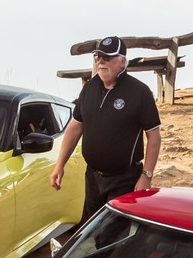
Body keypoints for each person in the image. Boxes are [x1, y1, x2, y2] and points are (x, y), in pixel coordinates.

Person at [51, 35, 163, 221]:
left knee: (114, 235)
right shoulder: (89, 88)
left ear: (122, 62)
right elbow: (75, 127)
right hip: (93, 178)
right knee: (93, 231)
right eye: (98, 57)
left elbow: (154, 136)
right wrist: (59, 165)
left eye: (108, 57)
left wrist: (147, 176)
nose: (101, 61)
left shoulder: (139, 92)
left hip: (124, 180)